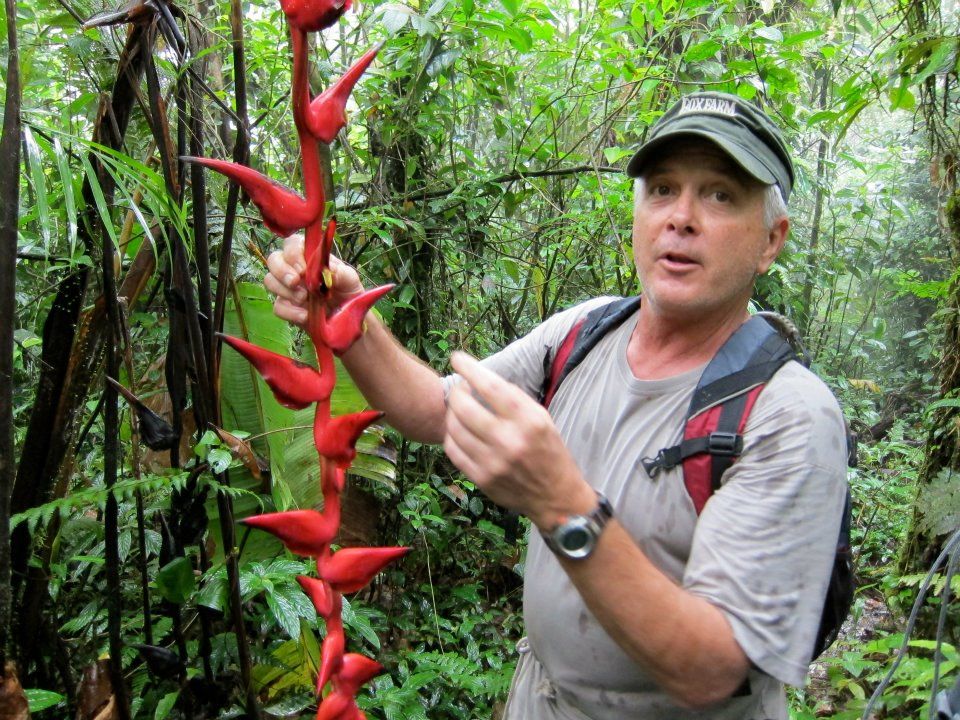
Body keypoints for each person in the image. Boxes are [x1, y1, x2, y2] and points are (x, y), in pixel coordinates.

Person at [264, 91, 848, 720]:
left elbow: (712, 670)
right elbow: (438, 410)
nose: (681, 217)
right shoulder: (586, 330)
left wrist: (561, 504)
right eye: (661, 190)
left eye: (720, 196)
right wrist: (352, 321)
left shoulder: (789, 414)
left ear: (771, 240)